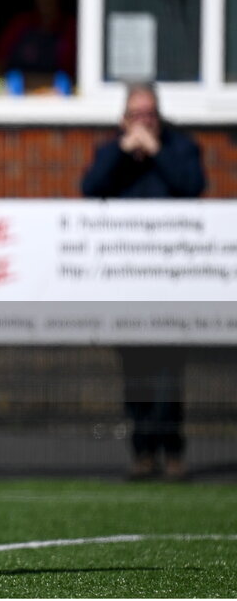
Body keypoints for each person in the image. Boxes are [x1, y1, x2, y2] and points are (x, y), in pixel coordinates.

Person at [81, 82, 205, 480]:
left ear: (159, 116)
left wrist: (157, 153)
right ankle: (142, 452)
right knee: (135, 373)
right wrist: (123, 152)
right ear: (124, 118)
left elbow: (193, 186)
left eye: (149, 114)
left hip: (172, 280)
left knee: (169, 371)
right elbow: (91, 187)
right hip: (125, 282)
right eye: (136, 115)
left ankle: (172, 451)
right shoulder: (110, 151)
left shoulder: (181, 148)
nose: (143, 122)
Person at [0, 0, 76, 92]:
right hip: (15, 98)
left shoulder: (71, 28)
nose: (44, 2)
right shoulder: (19, 24)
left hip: (58, 100)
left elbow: (76, 79)